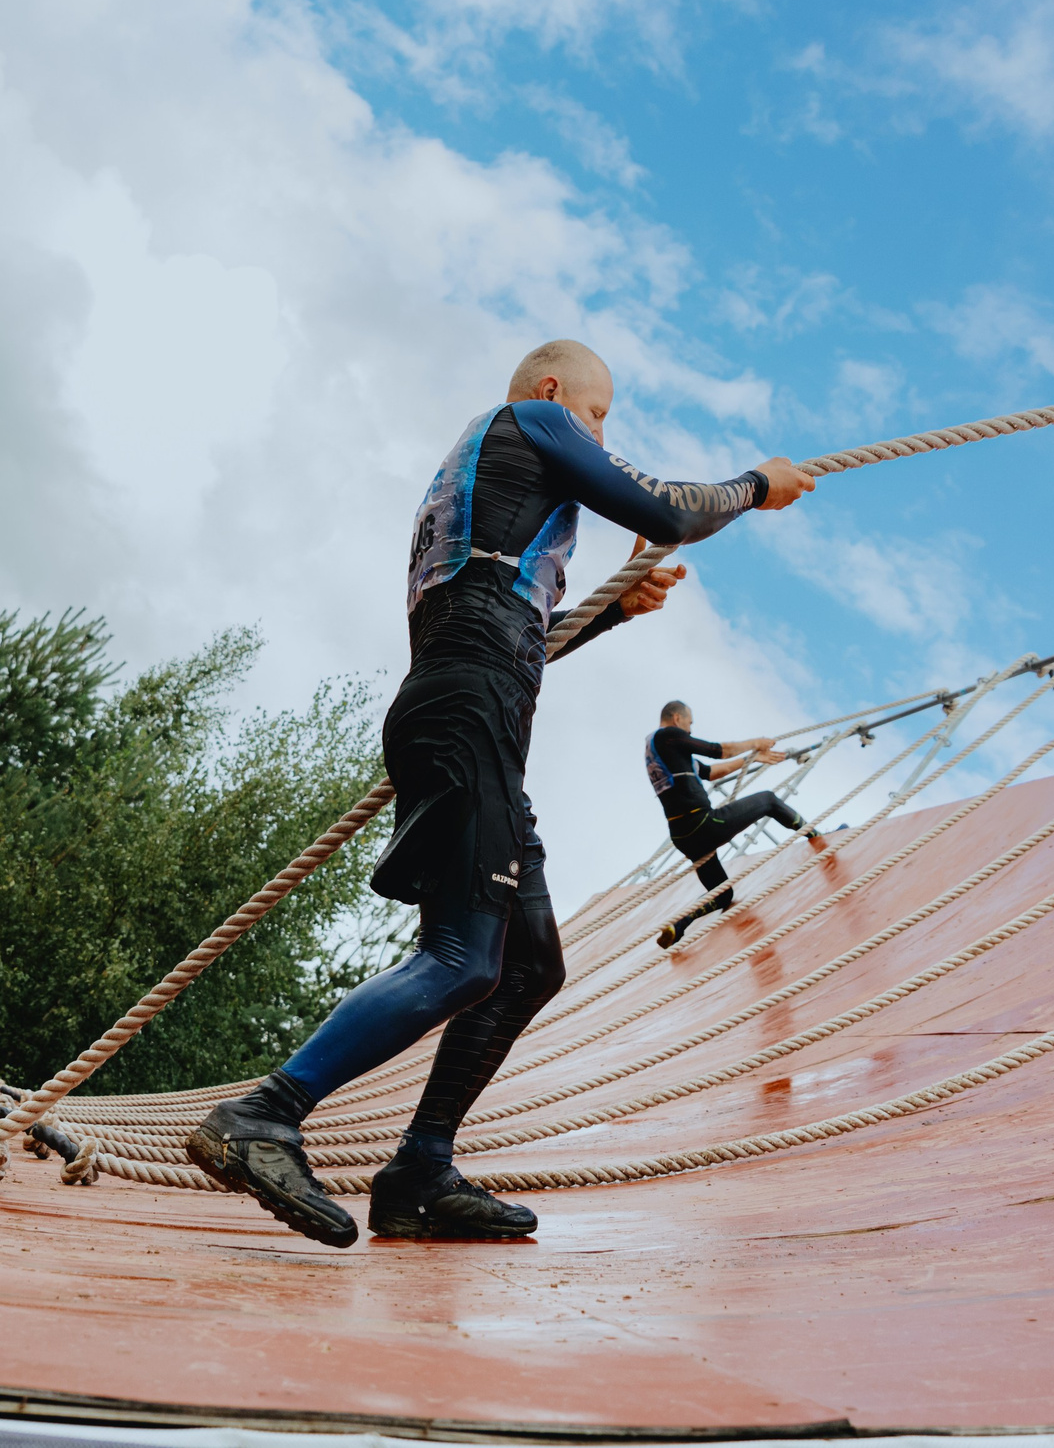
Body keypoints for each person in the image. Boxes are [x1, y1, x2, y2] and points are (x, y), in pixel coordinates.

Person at [185, 339, 813, 1246]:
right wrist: (757, 485)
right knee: (460, 957)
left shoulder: (479, 488)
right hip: (468, 708)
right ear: (556, 391)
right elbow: (661, 508)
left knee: (526, 963)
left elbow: (517, 627)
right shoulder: (534, 419)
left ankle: (420, 1171)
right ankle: (264, 1114)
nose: (599, 435)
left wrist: (610, 611)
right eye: (601, 416)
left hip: (467, 704)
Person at [646, 701, 829, 951]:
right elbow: (716, 750)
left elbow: (709, 771)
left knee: (723, 894)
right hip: (704, 824)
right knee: (768, 800)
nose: (689, 730)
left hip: (683, 836)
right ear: (677, 718)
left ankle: (678, 925)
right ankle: (818, 837)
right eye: (689, 724)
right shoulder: (669, 736)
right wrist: (755, 743)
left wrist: (752, 760)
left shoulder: (662, 754)